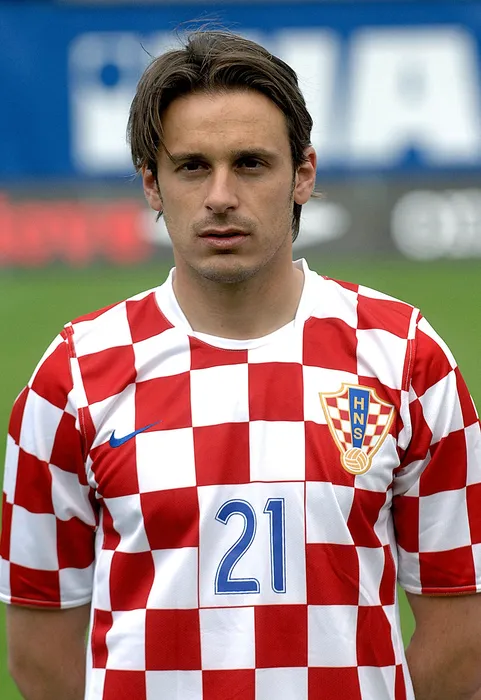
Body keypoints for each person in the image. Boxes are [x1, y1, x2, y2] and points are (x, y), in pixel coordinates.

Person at [1, 29, 481, 700]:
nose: (220, 195)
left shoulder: (405, 356)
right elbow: (39, 652)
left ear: (303, 174)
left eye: (250, 164)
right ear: (152, 184)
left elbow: (461, 634)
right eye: (192, 166)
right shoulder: (74, 375)